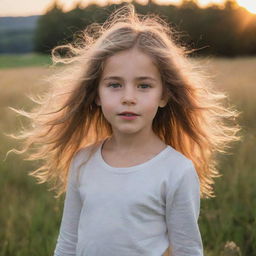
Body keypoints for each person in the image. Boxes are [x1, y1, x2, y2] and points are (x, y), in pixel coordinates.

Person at [7, 3, 240, 256]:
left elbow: (187, 250)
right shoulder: (83, 161)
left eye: (144, 86)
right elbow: (68, 241)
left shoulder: (177, 171)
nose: (128, 97)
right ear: (96, 94)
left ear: (164, 95)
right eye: (115, 85)